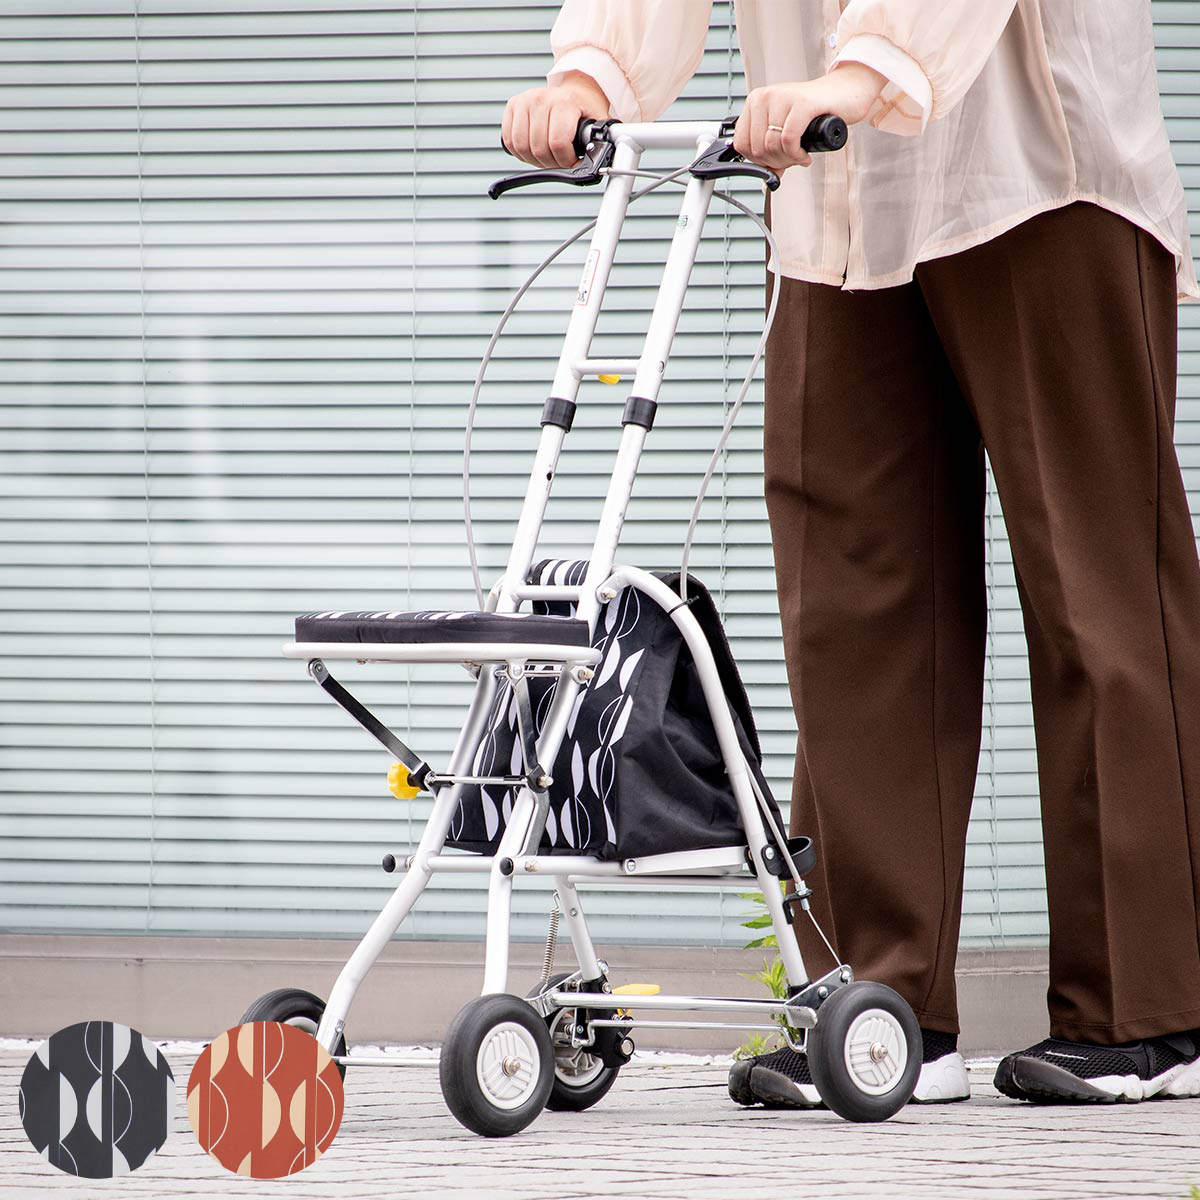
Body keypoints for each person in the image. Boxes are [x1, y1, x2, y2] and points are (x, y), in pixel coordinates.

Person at [503, 1, 1200, 1107]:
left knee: (1096, 584)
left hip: (1032, 158)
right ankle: (882, 1017)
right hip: (830, 190)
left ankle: (1147, 1015)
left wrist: (868, 71)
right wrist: (596, 72)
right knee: (852, 598)